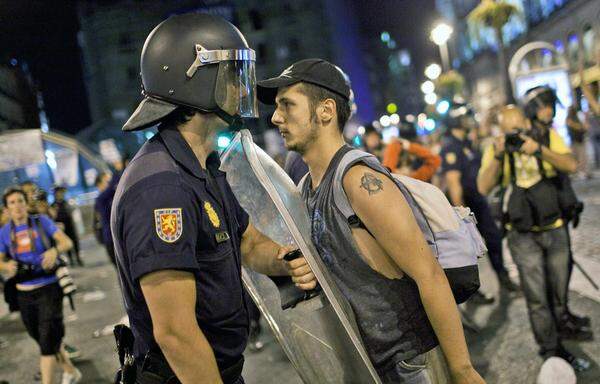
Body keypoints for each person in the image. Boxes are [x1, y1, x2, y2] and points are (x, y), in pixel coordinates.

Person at [112, 13, 316, 384]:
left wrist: (285, 261)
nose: (242, 90)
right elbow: (175, 334)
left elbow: (246, 241)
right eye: (232, 76)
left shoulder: (202, 166)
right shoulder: (162, 189)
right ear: (194, 80)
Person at [258, 58, 484, 384]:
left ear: (326, 111)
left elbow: (429, 275)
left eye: (287, 105)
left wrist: (462, 369)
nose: (276, 117)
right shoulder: (306, 188)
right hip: (370, 366)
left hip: (410, 364)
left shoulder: (358, 181)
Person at [477, 101, 590, 372]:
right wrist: (498, 154)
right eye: (508, 131)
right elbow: (482, 186)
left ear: (527, 123)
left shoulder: (546, 136)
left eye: (518, 129)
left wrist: (538, 149)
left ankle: (563, 329)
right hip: (522, 236)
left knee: (559, 292)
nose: (515, 135)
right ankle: (552, 352)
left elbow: (571, 164)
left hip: (555, 228)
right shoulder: (496, 149)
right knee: (538, 298)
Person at [0, 187, 81, 384]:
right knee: (41, 336)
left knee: (46, 341)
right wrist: (5, 265)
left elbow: (67, 242)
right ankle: (70, 370)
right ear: (7, 209)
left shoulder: (40, 222)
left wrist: (54, 251)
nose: (17, 206)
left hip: (49, 287)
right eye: (12, 203)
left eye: (20, 201)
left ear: (26, 203)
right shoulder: (4, 232)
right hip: (23, 292)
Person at [439, 102, 518, 296]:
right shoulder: (451, 146)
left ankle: (503, 277)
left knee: (493, 238)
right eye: (465, 117)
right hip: (467, 205)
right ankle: (471, 293)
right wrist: (462, 217)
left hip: (478, 200)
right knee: (467, 251)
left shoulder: (466, 142)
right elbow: (454, 183)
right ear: (456, 120)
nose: (469, 120)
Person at [51, 187, 82, 267]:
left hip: (70, 225)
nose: (61, 194)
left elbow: (71, 211)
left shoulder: (66, 202)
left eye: (62, 193)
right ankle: (71, 260)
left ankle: (78, 258)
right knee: (67, 244)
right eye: (59, 193)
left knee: (75, 242)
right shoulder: (53, 205)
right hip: (62, 228)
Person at [94, 172, 120, 266]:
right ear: (99, 184)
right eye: (107, 181)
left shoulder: (109, 197)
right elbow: (113, 186)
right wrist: (116, 170)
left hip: (117, 237)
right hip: (111, 239)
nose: (110, 183)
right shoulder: (100, 199)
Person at [566, 105, 590, 178]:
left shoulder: (577, 117)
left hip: (579, 139)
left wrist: (577, 126)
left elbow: (584, 127)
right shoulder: (569, 118)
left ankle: (582, 171)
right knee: (576, 157)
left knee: (582, 157)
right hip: (574, 140)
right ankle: (577, 171)